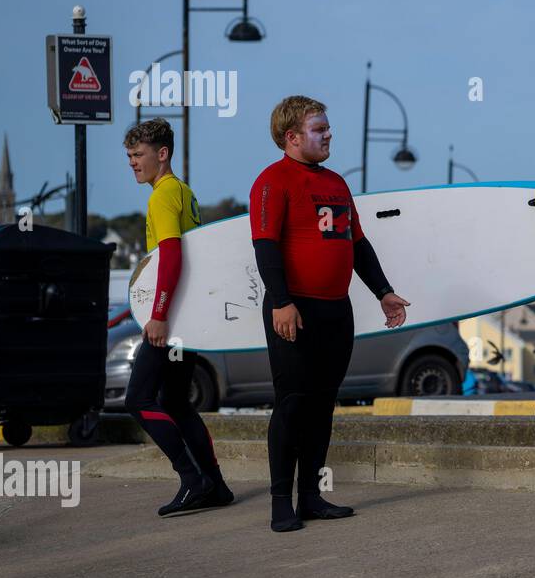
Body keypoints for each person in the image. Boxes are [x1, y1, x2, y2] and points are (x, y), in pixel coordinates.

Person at [249, 96, 410, 531]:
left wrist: (384, 292)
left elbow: (357, 244)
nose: (328, 135)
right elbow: (265, 247)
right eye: (319, 129)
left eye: (327, 128)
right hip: (293, 309)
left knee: (322, 406)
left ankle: (311, 497)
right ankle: (280, 500)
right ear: (292, 136)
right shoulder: (272, 181)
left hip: (336, 311)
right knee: (292, 405)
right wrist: (281, 301)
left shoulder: (337, 183)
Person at [123, 119, 234, 515]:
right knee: (175, 401)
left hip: (171, 320)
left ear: (162, 153)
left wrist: (158, 315)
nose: (133, 163)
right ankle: (216, 486)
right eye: (130, 157)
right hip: (185, 316)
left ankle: (192, 479)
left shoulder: (162, 195)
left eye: (139, 155)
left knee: (138, 399)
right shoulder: (183, 192)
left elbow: (172, 256)